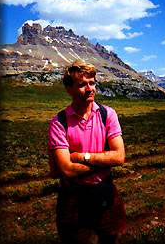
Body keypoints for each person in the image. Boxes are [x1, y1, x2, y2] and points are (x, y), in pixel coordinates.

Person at [48, 60, 126, 244]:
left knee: (110, 238)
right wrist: (105, 161)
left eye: (92, 82)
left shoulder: (108, 114)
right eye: (82, 84)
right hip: (74, 197)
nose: (89, 88)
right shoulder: (59, 122)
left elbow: (120, 156)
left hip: (105, 191)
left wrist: (82, 157)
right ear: (69, 89)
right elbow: (66, 170)